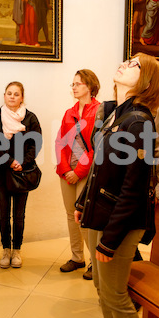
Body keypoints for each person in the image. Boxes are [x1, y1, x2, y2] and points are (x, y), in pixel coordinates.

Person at [75, 53, 159, 318]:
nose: (125, 63)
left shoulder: (139, 122)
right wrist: (82, 202)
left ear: (146, 80)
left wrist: (110, 239)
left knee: (115, 295)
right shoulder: (117, 113)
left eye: (134, 64)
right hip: (100, 210)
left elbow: (133, 188)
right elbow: (100, 167)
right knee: (103, 289)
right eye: (128, 60)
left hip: (120, 221)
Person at [0, 82, 42, 268]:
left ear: (22, 98)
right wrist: (10, 161)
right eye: (9, 93)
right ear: (4, 96)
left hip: (22, 173)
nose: (12, 97)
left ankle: (17, 250)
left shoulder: (30, 119)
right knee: (4, 214)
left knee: (19, 215)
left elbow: (36, 144)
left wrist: (22, 162)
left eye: (16, 94)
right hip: (1, 173)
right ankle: (5, 250)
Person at [55, 69, 101, 280]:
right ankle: (77, 257)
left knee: (84, 216)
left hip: (87, 172)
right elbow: (60, 143)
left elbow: (97, 146)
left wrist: (78, 171)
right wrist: (65, 170)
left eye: (78, 84)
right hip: (67, 172)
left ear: (90, 87)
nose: (73, 87)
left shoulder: (100, 112)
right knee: (69, 215)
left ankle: (94, 261)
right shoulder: (69, 112)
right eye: (72, 84)